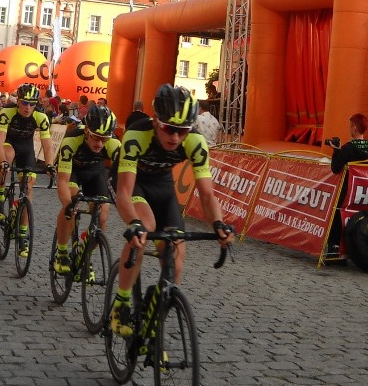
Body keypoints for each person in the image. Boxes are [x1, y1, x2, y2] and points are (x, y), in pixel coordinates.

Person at [109, 84, 234, 337]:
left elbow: (207, 194)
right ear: (156, 121)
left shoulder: (197, 144)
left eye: (182, 131)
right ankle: (121, 303)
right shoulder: (137, 136)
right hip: (134, 182)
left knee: (176, 253)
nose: (175, 137)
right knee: (146, 226)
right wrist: (132, 222)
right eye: (169, 128)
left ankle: (156, 326)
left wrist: (218, 224)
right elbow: (124, 192)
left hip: (163, 185)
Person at [52, 105, 121, 275]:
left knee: (103, 216)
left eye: (104, 139)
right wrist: (68, 205)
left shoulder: (114, 144)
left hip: (95, 172)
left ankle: (85, 252)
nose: (100, 143)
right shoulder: (71, 140)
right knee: (72, 205)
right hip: (73, 172)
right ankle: (61, 252)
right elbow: (63, 181)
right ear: (87, 130)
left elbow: (124, 177)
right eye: (96, 137)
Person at [0, 83, 56, 258]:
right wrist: (3, 161)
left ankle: (23, 234)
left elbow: (48, 146)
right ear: (18, 101)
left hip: (26, 148)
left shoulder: (41, 117)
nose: (28, 107)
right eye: (25, 103)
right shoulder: (7, 112)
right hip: (9, 143)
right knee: (8, 156)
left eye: (32, 104)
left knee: (28, 188)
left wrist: (49, 164)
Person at [327, 113, 368, 254]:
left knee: (338, 215)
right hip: (360, 188)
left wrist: (336, 151)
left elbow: (335, 168)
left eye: (350, 126)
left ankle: (334, 248)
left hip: (346, 187)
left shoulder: (348, 148)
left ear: (354, 127)